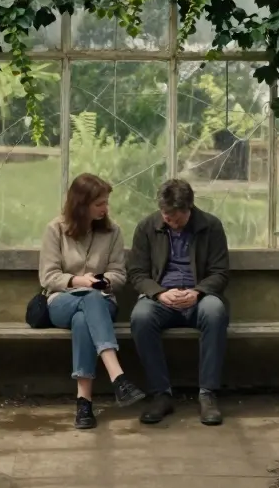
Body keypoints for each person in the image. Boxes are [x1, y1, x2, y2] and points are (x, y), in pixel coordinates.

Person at [40, 174, 147, 429]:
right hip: (60, 302)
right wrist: (80, 282)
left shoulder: (112, 232)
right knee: (86, 300)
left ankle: (84, 404)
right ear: (81, 203)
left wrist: (100, 281)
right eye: (99, 203)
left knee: (83, 318)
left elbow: (119, 274)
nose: (105, 208)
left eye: (106, 203)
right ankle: (117, 376)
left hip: (102, 300)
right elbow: (48, 277)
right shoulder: (55, 230)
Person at [126, 179, 230, 426]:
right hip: (161, 298)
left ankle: (207, 394)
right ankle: (161, 393)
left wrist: (198, 291)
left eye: (176, 218)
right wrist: (159, 293)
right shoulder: (147, 227)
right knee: (140, 317)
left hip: (198, 297)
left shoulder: (211, 227)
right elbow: (137, 273)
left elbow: (220, 273)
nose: (170, 222)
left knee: (215, 312)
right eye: (166, 216)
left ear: (189, 209)